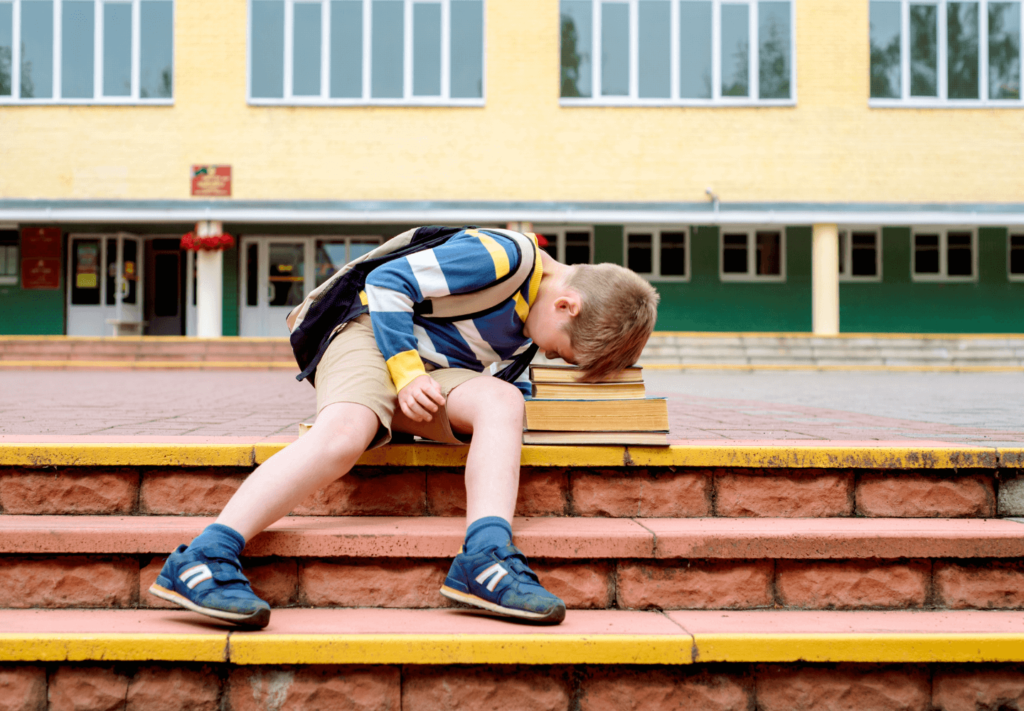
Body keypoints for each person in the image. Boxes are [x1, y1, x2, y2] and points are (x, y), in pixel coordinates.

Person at [149, 227, 659, 628]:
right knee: (346, 433)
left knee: (503, 401)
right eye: (559, 351)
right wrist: (406, 372)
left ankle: (485, 558)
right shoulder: (502, 255)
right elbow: (388, 283)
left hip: (427, 373)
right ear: (567, 305)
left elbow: (481, 373)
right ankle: (204, 556)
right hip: (368, 333)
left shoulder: (536, 317)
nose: (549, 356)